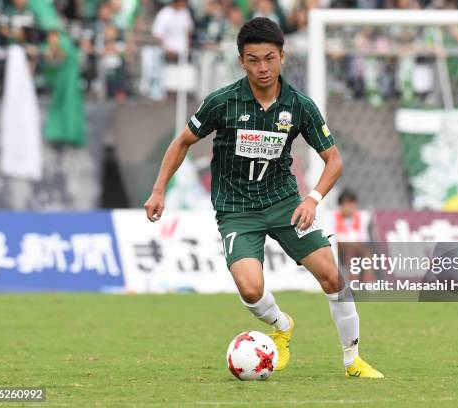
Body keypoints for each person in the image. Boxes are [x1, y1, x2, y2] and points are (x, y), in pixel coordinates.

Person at [144, 17, 383, 378]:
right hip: (236, 208)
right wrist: (159, 189)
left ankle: (353, 361)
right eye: (253, 60)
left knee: (332, 277)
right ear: (242, 61)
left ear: (283, 57)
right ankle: (282, 325)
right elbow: (182, 142)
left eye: (269, 58)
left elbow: (333, 161)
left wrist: (313, 198)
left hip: (285, 203)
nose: (263, 68)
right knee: (250, 288)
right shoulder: (222, 102)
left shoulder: (300, 105)